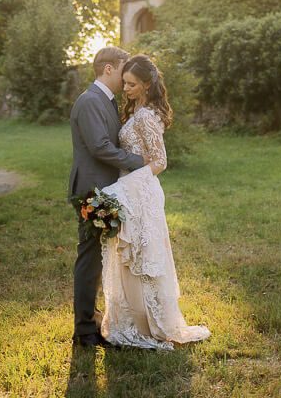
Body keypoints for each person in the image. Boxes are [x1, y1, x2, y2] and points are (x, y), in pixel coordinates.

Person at [99, 54, 210, 350]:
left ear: (147, 85)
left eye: (132, 84)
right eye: (124, 83)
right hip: (131, 190)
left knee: (143, 256)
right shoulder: (135, 109)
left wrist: (125, 186)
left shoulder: (147, 115)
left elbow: (160, 161)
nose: (126, 89)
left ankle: (150, 325)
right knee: (131, 256)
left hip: (140, 191)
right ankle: (133, 320)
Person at [69, 46, 145, 348]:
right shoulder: (90, 101)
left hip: (105, 189)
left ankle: (94, 322)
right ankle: (84, 331)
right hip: (92, 191)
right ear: (109, 69)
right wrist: (138, 161)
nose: (127, 74)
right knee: (90, 258)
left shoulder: (107, 101)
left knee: (101, 258)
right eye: (124, 67)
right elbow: (100, 146)